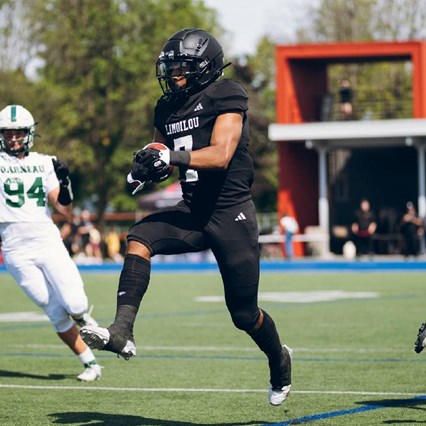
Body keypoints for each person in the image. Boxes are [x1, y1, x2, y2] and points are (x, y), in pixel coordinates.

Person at [80, 28, 292, 406]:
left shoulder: (227, 93)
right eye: (171, 66)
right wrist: (147, 165)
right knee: (139, 236)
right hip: (193, 211)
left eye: (181, 66)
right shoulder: (166, 107)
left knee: (243, 314)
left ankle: (279, 357)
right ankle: (122, 330)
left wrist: (171, 158)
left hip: (231, 214)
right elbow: (163, 149)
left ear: (204, 67)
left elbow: (221, 153)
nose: (174, 73)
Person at [0, 104, 102, 382]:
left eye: (18, 132)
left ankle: (83, 318)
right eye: (7, 133)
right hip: (14, 249)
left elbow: (65, 210)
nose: (13, 138)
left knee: (75, 303)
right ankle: (91, 363)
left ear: (29, 133)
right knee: (55, 311)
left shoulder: (45, 162)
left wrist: (65, 182)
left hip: (46, 241)